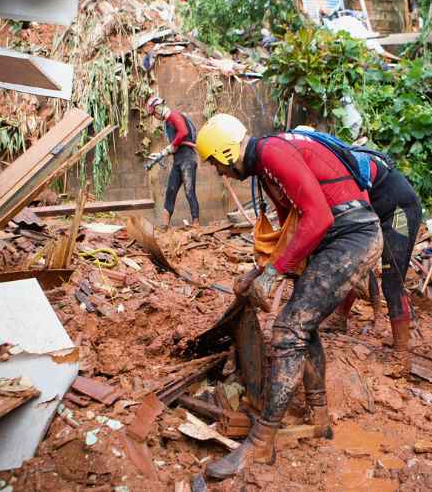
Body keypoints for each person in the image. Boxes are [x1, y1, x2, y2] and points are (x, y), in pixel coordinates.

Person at [194, 114, 383, 479]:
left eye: (216, 163)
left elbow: (318, 216)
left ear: (226, 151)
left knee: (288, 330)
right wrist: (259, 271)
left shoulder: (271, 154)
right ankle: (319, 415)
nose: (219, 173)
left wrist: (275, 272)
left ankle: (262, 441)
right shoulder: (267, 166)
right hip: (337, 240)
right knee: (304, 324)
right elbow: (293, 228)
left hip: (351, 238)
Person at [311, 134, 422, 377]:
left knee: (392, 280)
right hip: (375, 213)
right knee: (352, 260)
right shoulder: (333, 163)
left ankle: (402, 355)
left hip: (399, 214)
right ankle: (340, 318)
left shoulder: (343, 164)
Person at [146, 96, 200, 229]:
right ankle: (164, 225)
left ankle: (196, 224)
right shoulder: (167, 123)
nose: (155, 116)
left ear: (158, 108)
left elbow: (183, 132)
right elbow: (174, 145)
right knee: (171, 190)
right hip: (178, 159)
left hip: (188, 158)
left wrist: (168, 149)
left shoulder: (174, 116)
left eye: (154, 113)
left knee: (189, 191)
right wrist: (161, 154)